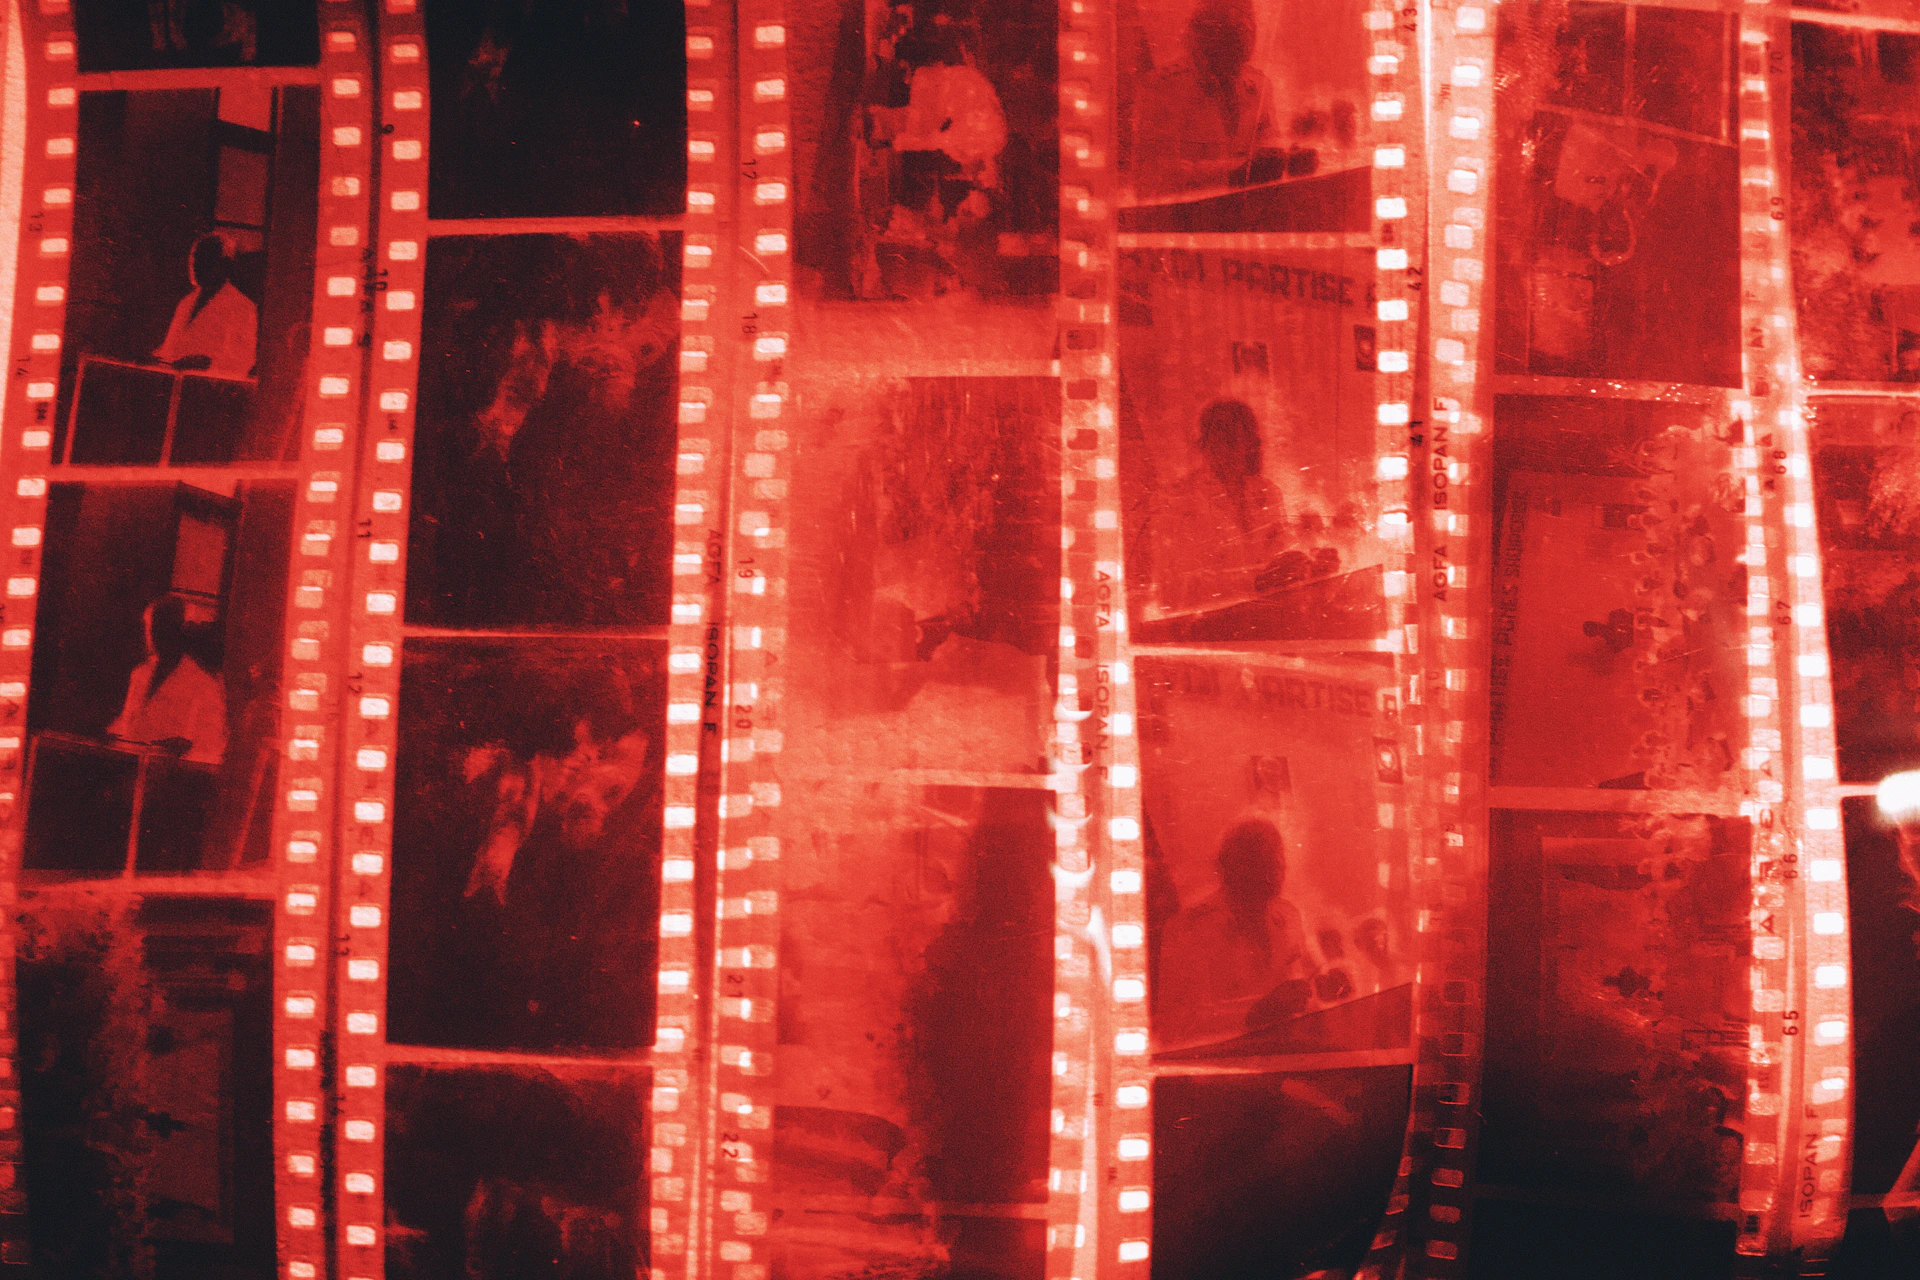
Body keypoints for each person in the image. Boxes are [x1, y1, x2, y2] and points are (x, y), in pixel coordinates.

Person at [1156, 817, 1316, 1048]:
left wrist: (1322, 988)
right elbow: (1175, 1025)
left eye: (1278, 855)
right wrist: (1254, 1013)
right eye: (1263, 857)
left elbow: (1301, 990)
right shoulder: (1189, 928)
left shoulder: (1288, 916)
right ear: (1233, 866)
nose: (1279, 865)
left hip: (1285, 1051)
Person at [1147, 398, 1290, 614]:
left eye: (1240, 439)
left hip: (1268, 616)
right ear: (1204, 444)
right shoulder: (1179, 499)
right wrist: (1255, 583)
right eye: (1223, 438)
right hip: (1206, 622)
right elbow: (1172, 592)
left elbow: (1282, 559)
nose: (1232, 449)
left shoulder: (1268, 493)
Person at [1130, 0, 1281, 198]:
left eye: (1249, 17)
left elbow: (1270, 161)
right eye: (1233, 17)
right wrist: (1235, 172)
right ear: (1205, 27)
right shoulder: (1165, 88)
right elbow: (1152, 179)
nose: (1246, 28)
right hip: (1188, 214)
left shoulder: (1259, 87)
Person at [108, 593, 227, 766]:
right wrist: (111, 734)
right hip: (130, 767)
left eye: (163, 627)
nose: (155, 635)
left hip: (172, 773)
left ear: (178, 631)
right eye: (152, 627)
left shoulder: (203, 684)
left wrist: (184, 750)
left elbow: (213, 747)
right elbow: (129, 725)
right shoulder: (140, 673)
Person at [153, 233, 257, 379]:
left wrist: (207, 365)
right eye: (193, 259)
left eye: (204, 260)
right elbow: (170, 350)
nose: (195, 266)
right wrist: (157, 359)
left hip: (209, 387)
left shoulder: (243, 307)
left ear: (225, 265)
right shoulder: (186, 303)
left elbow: (242, 361)